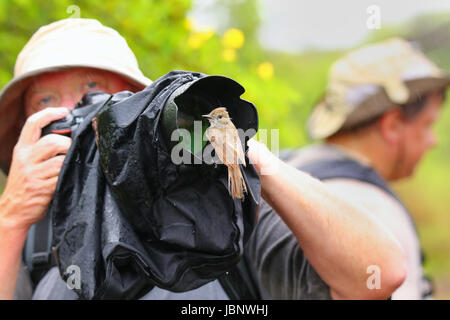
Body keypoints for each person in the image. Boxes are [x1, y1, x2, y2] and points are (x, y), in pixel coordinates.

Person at [0, 18, 406, 300]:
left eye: (92, 88)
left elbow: (378, 276)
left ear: (135, 102)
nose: (78, 110)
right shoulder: (31, 231)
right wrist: (11, 217)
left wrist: (243, 155)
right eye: (46, 100)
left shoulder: (217, 203)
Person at [246, 38, 449, 300]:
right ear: (392, 125)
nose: (434, 140)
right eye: (427, 125)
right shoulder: (374, 210)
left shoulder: (291, 169)